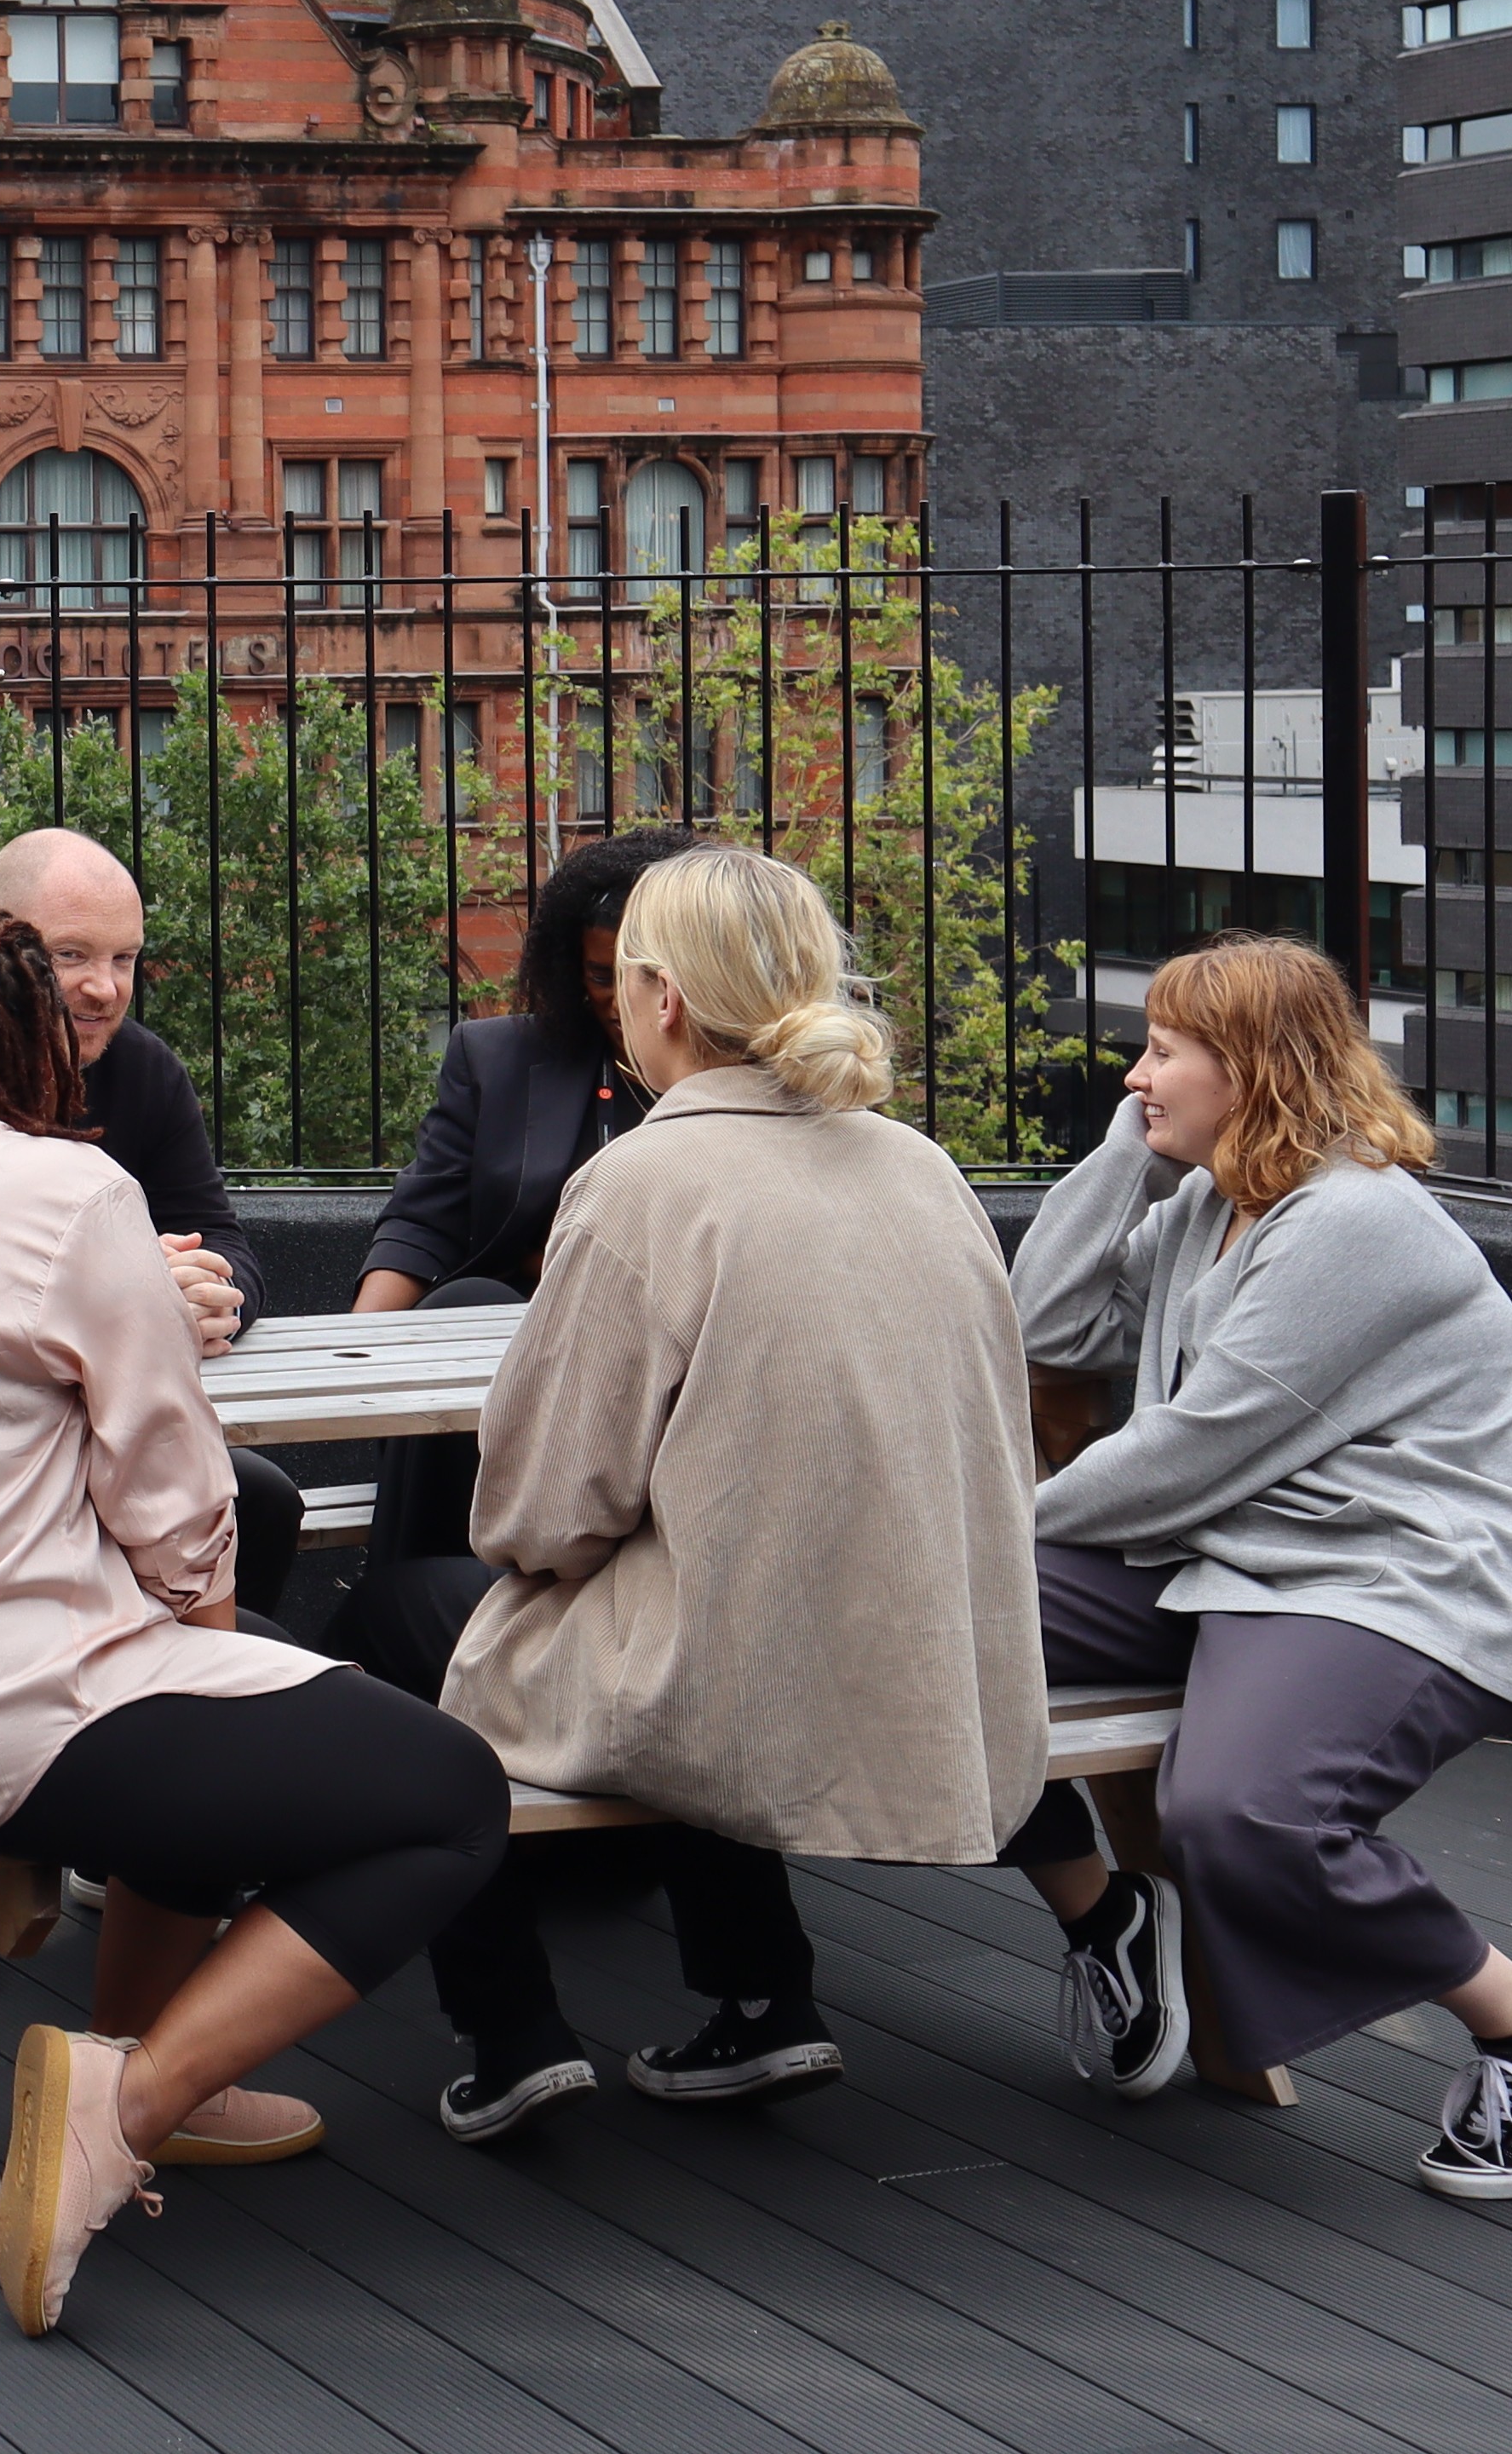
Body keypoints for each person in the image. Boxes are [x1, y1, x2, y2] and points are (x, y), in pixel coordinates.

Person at [0, 896, 509, 2336]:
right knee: (446, 1788)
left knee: (245, 1713)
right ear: (34, 1042)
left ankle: (161, 2063)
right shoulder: (63, 1193)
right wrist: (203, 1630)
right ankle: (124, 2096)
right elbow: (177, 1493)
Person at [344, 846, 1045, 2141]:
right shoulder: (922, 1170)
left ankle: (512, 2033)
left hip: (735, 1684)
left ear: (661, 999)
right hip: (923, 1662)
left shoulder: (642, 1186)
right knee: (701, 1590)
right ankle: (764, 2003)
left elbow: (537, 1516)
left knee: (403, 1612)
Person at [996, 933, 1512, 2203]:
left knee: (1243, 1815)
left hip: (1395, 1582)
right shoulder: (1215, 1202)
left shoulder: (1356, 1224)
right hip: (1232, 1559)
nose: (1138, 1075)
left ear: (1257, 1068)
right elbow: (1045, 1324)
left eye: (1165, 1053)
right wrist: (1130, 1149)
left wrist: (997, 1527)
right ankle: (1105, 1915)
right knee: (922, 1629)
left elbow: (1187, 1451)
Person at [0, 827, 296, 1602]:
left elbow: (228, 1243)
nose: (104, 987)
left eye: (124, 958)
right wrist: (129, 1295)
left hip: (110, 1437)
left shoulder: (145, 1071)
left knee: (262, 1503)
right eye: (70, 955)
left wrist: (209, 1294)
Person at [333, 827, 699, 1587]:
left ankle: (410, 1607)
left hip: (651, 1344)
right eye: (599, 973)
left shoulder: (717, 1079)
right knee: (463, 1302)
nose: (616, 996)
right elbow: (423, 1218)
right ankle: (408, 1590)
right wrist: (359, 1350)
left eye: (637, 973)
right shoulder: (495, 1057)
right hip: (501, 1336)